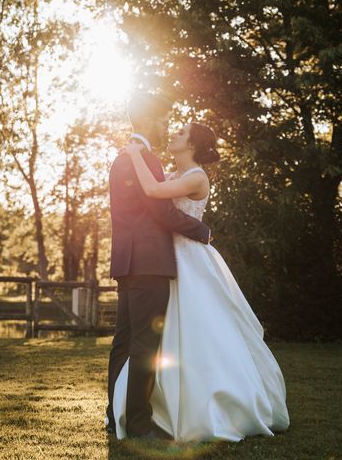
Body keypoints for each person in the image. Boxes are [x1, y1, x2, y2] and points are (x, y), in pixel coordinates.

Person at [111, 121, 291, 442]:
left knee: (198, 332)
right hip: (167, 258)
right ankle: (155, 409)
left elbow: (152, 192)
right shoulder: (173, 175)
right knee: (163, 338)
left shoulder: (196, 177)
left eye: (181, 133)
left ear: (192, 145)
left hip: (188, 260)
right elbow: (154, 200)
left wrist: (136, 152)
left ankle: (214, 404)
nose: (173, 135)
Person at [105, 93, 212, 440]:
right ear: (151, 121)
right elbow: (160, 211)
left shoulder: (122, 157)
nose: (167, 127)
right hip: (149, 263)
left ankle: (115, 415)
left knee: (123, 342)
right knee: (144, 345)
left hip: (126, 261)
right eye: (165, 120)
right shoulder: (144, 158)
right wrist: (202, 230)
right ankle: (137, 424)